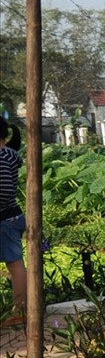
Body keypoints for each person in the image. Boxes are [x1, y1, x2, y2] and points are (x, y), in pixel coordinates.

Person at [0, 119, 23, 322]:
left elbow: (5, 190)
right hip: (10, 216)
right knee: (14, 264)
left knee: (14, 264)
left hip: (5, 219)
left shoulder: (2, 156)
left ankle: (21, 311)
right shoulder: (9, 155)